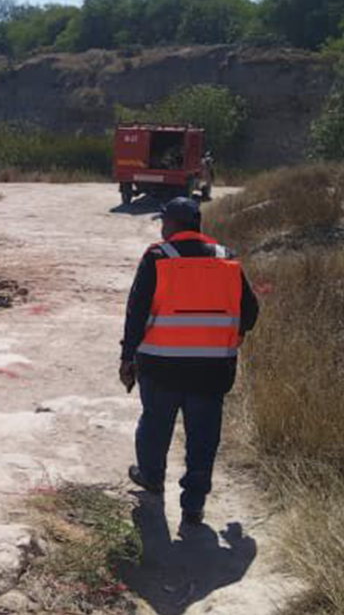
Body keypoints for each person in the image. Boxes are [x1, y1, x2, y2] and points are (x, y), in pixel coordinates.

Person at [119, 197, 259, 526]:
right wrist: (234, 336)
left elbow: (136, 311)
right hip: (212, 368)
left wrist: (127, 358)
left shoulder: (157, 256)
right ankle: (193, 505)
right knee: (203, 436)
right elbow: (250, 311)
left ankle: (152, 477)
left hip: (160, 365)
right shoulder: (227, 258)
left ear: (171, 224)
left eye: (163, 222)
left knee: (155, 425)